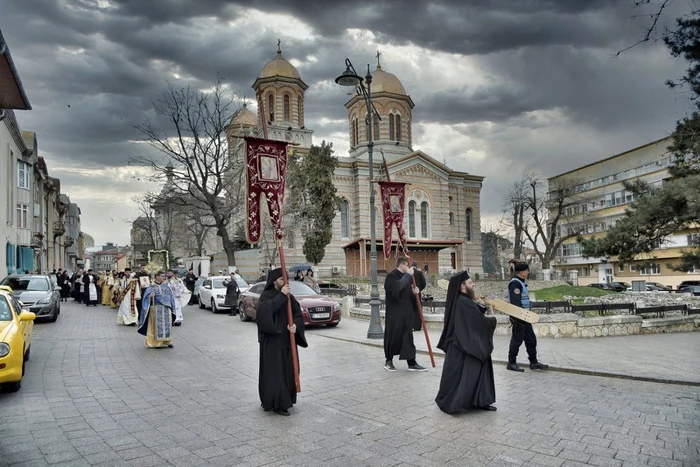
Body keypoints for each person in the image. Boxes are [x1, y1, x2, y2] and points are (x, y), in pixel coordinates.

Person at [435, 271, 497, 413]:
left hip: (461, 343)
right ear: (462, 286)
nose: (473, 284)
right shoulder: (463, 302)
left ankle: (480, 401)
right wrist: (493, 321)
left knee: (464, 374)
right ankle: (454, 402)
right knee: (460, 376)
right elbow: (476, 321)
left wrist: (481, 307)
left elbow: (472, 315)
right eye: (470, 282)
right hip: (463, 346)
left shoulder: (462, 300)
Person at [257, 268, 308, 416]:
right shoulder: (266, 296)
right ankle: (278, 404)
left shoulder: (289, 298)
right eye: (281, 280)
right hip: (273, 343)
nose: (284, 283)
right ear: (274, 281)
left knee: (288, 372)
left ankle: (287, 399)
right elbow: (264, 314)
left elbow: (298, 315)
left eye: (286, 280)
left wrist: (295, 326)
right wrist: (281, 296)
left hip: (287, 342)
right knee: (275, 373)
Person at [383, 257, 426, 372]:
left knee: (407, 339)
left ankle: (411, 362)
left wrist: (414, 293)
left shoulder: (406, 279)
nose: (408, 268)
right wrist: (407, 275)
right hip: (395, 316)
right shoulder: (391, 276)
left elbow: (407, 295)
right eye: (407, 265)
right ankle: (389, 361)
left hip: (406, 316)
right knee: (393, 337)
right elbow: (396, 289)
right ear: (402, 265)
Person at [507, 263, 549, 372]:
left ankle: (534, 362)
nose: (528, 272)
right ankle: (511, 363)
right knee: (516, 341)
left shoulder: (520, 283)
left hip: (526, 317)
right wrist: (520, 318)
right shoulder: (515, 283)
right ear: (521, 272)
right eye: (527, 270)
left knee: (531, 340)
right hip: (519, 318)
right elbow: (515, 302)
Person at [139, 271, 177, 348]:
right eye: (162, 276)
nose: (164, 277)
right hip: (155, 308)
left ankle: (167, 341)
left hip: (166, 309)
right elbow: (145, 299)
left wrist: (171, 307)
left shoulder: (166, 286)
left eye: (164, 276)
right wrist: (150, 296)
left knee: (167, 326)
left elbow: (171, 298)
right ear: (157, 277)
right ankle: (155, 343)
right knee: (155, 326)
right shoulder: (151, 287)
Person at [411, 260, 427, 331]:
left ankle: (411, 325)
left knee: (410, 309)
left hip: (410, 294)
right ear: (417, 266)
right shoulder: (419, 273)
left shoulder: (408, 273)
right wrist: (420, 289)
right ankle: (417, 326)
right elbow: (424, 283)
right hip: (418, 293)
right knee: (418, 310)